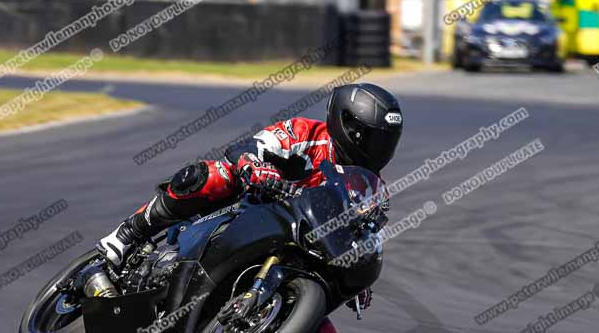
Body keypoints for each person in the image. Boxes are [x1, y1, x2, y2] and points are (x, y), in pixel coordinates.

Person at [97, 83, 403, 314]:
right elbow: (248, 146)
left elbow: (366, 239)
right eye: (372, 138)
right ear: (348, 125)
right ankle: (128, 234)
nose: (380, 149)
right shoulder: (305, 133)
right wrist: (255, 166)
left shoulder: (370, 189)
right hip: (252, 205)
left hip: (298, 245)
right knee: (207, 177)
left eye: (387, 142)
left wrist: (359, 280)